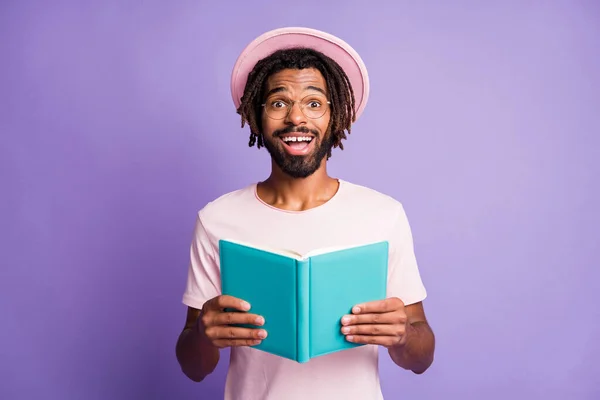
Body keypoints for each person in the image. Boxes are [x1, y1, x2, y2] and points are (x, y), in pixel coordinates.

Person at [175, 27, 435, 400]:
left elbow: (421, 357)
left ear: (337, 116)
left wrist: (404, 335)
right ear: (257, 115)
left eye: (314, 103)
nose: (297, 118)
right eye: (279, 103)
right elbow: (193, 367)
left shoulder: (383, 216)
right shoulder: (216, 220)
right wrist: (203, 334)